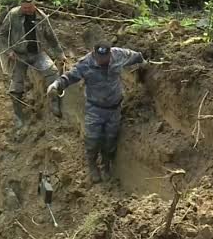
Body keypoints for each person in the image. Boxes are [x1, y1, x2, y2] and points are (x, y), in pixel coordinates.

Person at [47, 42, 146, 183]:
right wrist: (55, 85)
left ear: (110, 54)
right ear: (94, 54)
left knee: (110, 141)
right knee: (93, 140)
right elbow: (69, 77)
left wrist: (144, 63)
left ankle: (106, 166)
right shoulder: (86, 64)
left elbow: (135, 56)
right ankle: (92, 165)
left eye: (106, 57)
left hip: (114, 109)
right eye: (100, 57)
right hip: (95, 109)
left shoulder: (118, 54)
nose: (103, 60)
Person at [1, 0, 67, 129]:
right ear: (21, 5)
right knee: (15, 87)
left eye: (29, 8)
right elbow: (3, 34)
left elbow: (51, 37)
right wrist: (9, 51)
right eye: (24, 8)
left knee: (53, 73)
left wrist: (59, 54)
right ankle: (19, 116)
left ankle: (54, 103)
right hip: (19, 55)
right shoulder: (13, 15)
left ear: (34, 5)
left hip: (37, 53)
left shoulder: (41, 17)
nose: (26, 10)